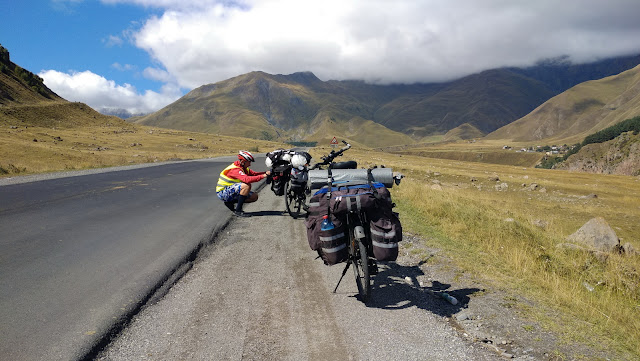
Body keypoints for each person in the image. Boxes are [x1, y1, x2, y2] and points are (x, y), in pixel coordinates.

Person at [216, 150, 270, 217]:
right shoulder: (235, 169)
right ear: (243, 162)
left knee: (254, 197)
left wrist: (266, 173)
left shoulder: (243, 168)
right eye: (249, 162)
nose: (250, 164)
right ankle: (238, 211)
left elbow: (254, 174)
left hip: (231, 191)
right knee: (246, 185)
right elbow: (246, 179)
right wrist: (263, 176)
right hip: (223, 193)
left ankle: (230, 202)